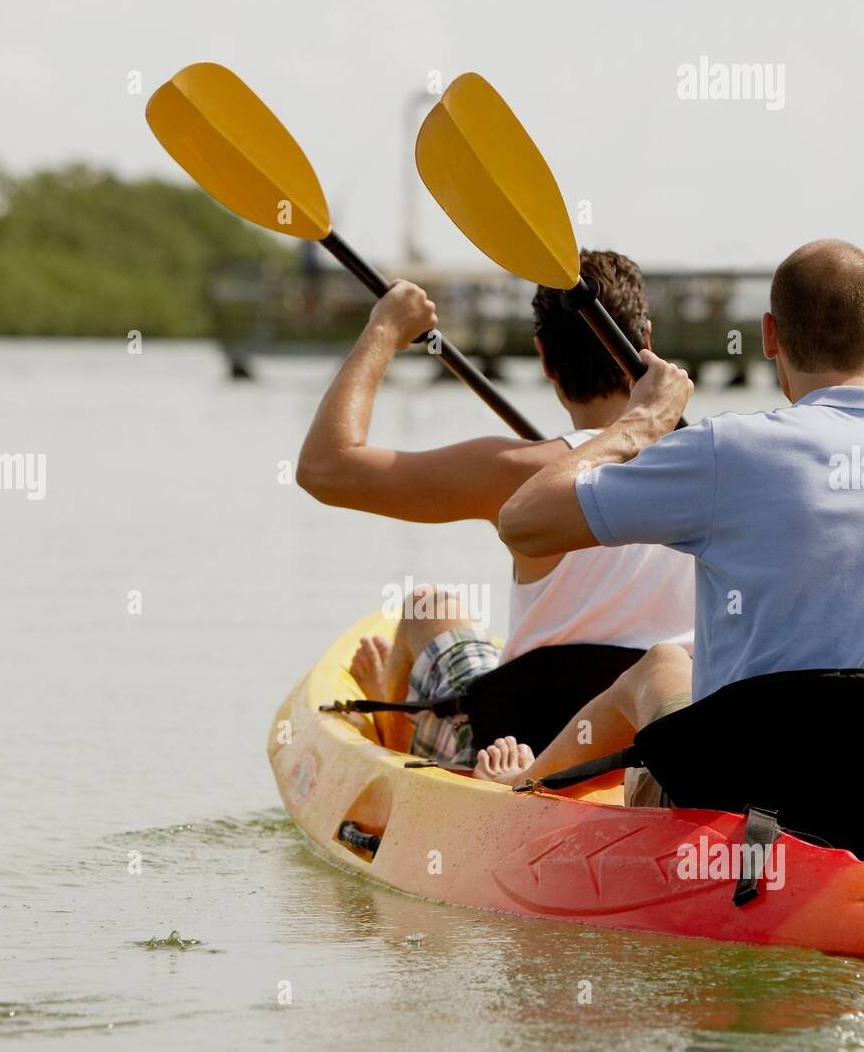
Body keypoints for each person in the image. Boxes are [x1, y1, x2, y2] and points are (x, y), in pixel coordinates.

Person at [478, 239, 864, 799]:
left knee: (662, 663)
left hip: (742, 790)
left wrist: (644, 419)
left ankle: (522, 787)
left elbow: (523, 521)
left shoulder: (726, 449)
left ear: (770, 334)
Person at [296, 250, 694, 767]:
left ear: (544, 358)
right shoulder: (711, 460)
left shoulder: (515, 470)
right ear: (647, 340)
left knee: (427, 608)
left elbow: (324, 469)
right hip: (657, 727)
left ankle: (395, 723)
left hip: (523, 739)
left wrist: (384, 329)